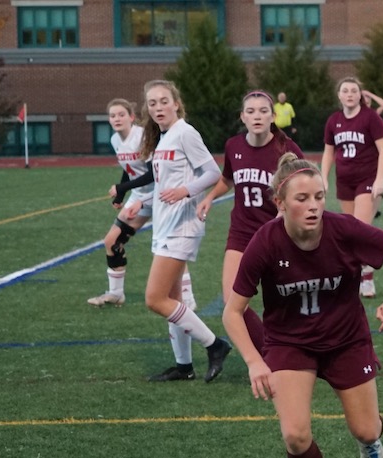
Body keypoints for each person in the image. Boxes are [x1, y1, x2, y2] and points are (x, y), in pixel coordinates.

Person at [222, 155, 383, 458]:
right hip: (290, 345)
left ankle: (371, 439)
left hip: (346, 339)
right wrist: (255, 361)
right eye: (302, 198)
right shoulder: (265, 242)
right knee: (294, 433)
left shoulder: (342, 229)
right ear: (280, 203)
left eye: (319, 196)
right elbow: (232, 312)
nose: (314, 206)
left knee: (366, 429)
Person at [123, 79, 231, 383]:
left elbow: (212, 172)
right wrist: (140, 202)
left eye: (163, 101)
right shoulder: (164, 138)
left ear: (176, 103)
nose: (158, 107)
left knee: (155, 299)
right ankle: (184, 367)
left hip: (182, 227)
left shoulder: (185, 132)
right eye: (152, 103)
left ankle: (215, 345)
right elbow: (162, 187)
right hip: (164, 225)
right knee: (174, 299)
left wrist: (186, 190)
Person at [197, 90, 304, 353]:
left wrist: (286, 214)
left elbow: (304, 188)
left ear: (273, 116)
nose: (257, 116)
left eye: (263, 111)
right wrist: (209, 197)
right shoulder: (234, 145)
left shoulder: (286, 148)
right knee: (233, 301)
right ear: (242, 117)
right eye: (251, 111)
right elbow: (228, 179)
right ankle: (268, 354)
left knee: (289, 301)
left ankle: (309, 349)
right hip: (242, 235)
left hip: (277, 235)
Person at [87, 99, 198, 310]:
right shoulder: (115, 140)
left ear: (131, 117)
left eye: (121, 114)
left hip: (162, 193)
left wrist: (125, 189)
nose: (116, 119)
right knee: (112, 241)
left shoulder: (142, 137)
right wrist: (122, 192)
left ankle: (188, 299)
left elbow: (153, 174)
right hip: (140, 196)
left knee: (170, 248)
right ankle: (116, 293)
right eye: (112, 116)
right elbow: (128, 167)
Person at [320, 77, 383, 299]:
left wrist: (380, 180)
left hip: (367, 180)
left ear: (360, 95)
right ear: (339, 95)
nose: (350, 94)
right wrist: (323, 177)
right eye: (345, 91)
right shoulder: (334, 121)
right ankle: (356, 276)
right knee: (350, 234)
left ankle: (366, 278)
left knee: (360, 229)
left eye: (353, 90)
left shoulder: (370, 118)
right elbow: (329, 152)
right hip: (345, 181)